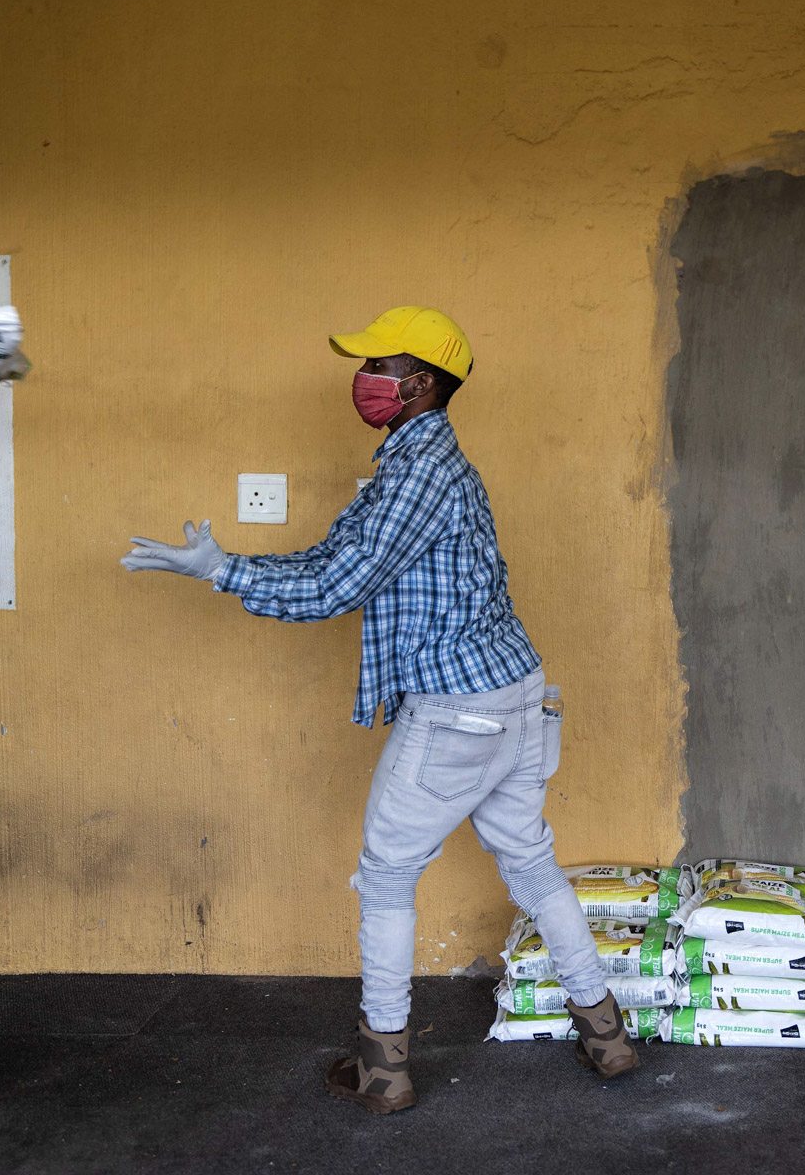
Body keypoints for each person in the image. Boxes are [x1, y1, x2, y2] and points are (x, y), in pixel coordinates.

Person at [121, 306, 638, 1113]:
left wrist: (220, 579)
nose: (362, 378)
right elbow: (337, 554)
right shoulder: (411, 464)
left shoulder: (422, 471)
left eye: (378, 364)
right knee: (529, 860)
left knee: (389, 878)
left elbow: (336, 588)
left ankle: (384, 1068)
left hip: (459, 709)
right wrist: (228, 560)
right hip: (513, 694)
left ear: (421, 382)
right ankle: (606, 1037)